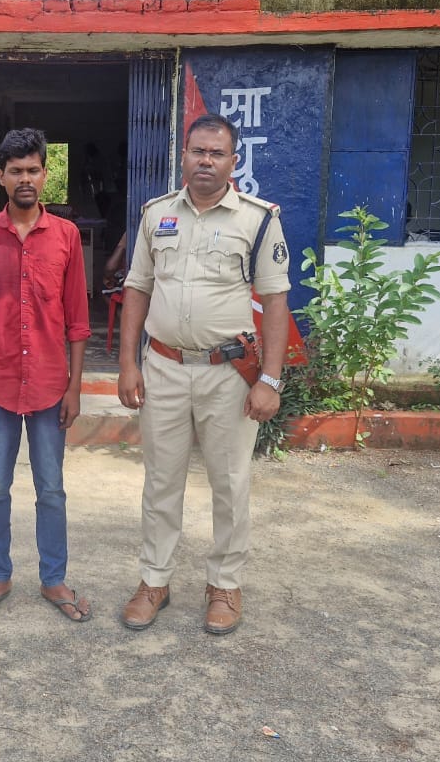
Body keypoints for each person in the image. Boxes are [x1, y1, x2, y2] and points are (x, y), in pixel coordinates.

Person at [116, 113, 290, 635]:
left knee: (230, 483)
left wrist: (270, 380)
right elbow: (137, 288)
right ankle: (155, 581)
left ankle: (225, 585)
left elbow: (275, 303)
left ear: (234, 162)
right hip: (164, 368)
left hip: (227, 373)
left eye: (217, 153)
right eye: (198, 151)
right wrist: (128, 363)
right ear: (183, 157)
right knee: (160, 480)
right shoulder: (156, 215)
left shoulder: (257, 219)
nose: (206, 161)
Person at [0, 128, 93, 623]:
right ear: (1, 177)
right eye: (15, 171)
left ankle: (54, 579)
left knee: (51, 489)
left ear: (45, 174)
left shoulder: (66, 236)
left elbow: (78, 319)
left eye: (33, 169)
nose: (25, 179)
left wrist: (75, 386)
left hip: (50, 386)